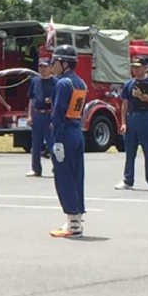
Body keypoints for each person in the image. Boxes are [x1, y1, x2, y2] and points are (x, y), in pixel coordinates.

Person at [48, 45, 88, 238]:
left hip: (64, 133)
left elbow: (57, 114)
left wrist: (56, 141)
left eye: (54, 61)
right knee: (76, 176)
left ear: (64, 63)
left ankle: (72, 222)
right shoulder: (80, 82)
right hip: (76, 131)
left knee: (63, 177)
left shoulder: (63, 83)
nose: (52, 65)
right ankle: (77, 217)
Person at [116, 58, 148, 191]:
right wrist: (123, 122)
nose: (135, 70)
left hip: (146, 117)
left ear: (144, 68)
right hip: (132, 117)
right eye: (133, 67)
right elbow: (125, 104)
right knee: (130, 151)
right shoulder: (128, 84)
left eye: (138, 67)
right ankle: (128, 179)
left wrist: (143, 97)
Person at [26, 58, 55, 177]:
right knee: (36, 143)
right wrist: (29, 115)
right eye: (40, 67)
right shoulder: (34, 81)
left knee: (52, 143)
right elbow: (31, 99)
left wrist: (51, 101)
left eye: (45, 66)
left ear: (50, 67)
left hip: (49, 114)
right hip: (37, 114)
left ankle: (57, 167)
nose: (42, 69)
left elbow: (59, 100)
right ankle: (35, 168)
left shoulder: (56, 82)